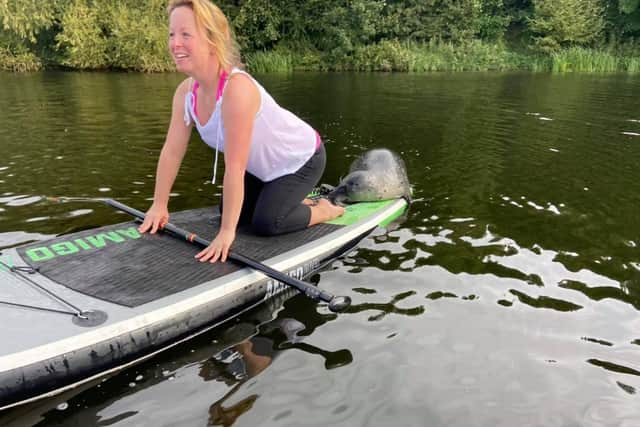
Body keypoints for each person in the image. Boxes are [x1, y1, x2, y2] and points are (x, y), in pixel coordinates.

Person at [139, 0, 344, 263]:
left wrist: (226, 234)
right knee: (235, 213)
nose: (174, 43)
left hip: (300, 160)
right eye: (171, 34)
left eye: (185, 34)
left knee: (267, 223)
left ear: (213, 40)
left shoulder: (237, 90)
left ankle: (325, 209)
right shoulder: (185, 94)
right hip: (259, 167)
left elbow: (235, 167)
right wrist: (159, 204)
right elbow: (172, 152)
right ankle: (295, 201)